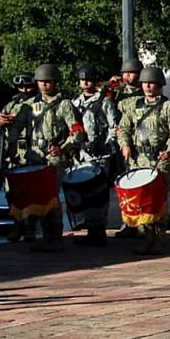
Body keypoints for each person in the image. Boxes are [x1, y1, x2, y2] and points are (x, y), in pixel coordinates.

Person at [0, 64, 85, 252]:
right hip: (33, 156)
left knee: (51, 198)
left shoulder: (64, 105)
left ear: (55, 82)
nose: (44, 85)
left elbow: (77, 132)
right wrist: (8, 138)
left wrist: (63, 148)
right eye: (41, 82)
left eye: (48, 81)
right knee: (37, 198)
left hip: (53, 157)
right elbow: (15, 127)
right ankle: (45, 236)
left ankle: (55, 238)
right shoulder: (29, 106)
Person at [115, 66, 170, 255]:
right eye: (144, 83)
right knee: (142, 201)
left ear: (159, 85)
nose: (148, 86)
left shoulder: (167, 106)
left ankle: (159, 239)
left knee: (157, 201)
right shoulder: (134, 105)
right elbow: (124, 128)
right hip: (138, 159)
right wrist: (125, 144)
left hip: (159, 159)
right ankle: (147, 238)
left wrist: (169, 151)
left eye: (151, 83)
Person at [69, 65, 119, 246]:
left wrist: (107, 145)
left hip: (100, 154)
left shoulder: (104, 102)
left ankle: (99, 230)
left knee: (99, 193)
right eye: (82, 79)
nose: (86, 82)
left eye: (89, 79)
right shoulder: (75, 103)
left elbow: (114, 127)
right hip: (82, 153)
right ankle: (90, 229)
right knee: (85, 193)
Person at [0, 72, 38, 242]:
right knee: (11, 193)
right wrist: (0, 121)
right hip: (12, 155)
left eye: (28, 86)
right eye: (21, 87)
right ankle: (17, 224)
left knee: (32, 193)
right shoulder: (12, 104)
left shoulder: (38, 103)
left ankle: (31, 228)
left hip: (31, 152)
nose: (24, 89)